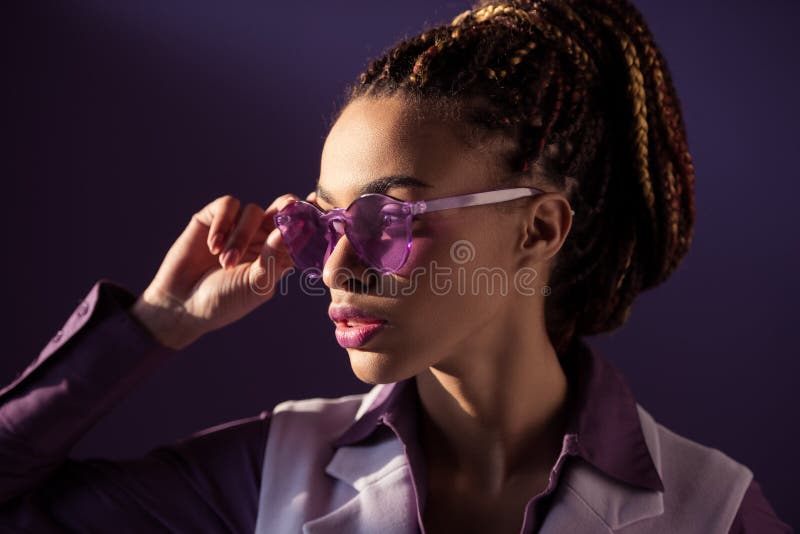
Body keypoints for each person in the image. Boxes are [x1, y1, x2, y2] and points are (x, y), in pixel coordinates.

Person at [0, 0, 793, 532]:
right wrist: (156, 325)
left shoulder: (711, 510)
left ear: (539, 228)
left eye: (388, 219)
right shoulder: (274, 473)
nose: (337, 267)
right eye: (319, 222)